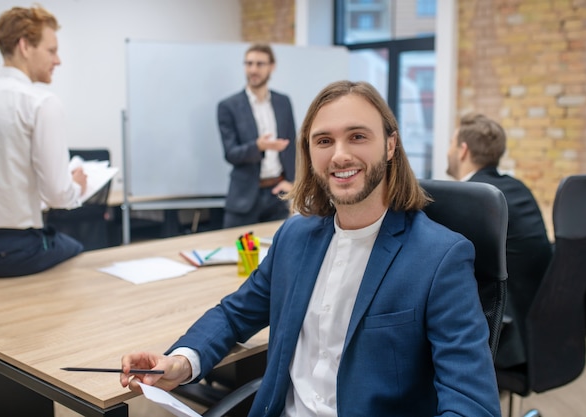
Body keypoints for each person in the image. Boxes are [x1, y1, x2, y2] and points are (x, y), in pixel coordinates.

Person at [120, 81, 501, 416]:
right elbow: (235, 314)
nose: (339, 155)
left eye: (357, 136)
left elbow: (472, 403)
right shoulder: (295, 237)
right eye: (324, 141)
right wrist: (178, 363)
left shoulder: (439, 257)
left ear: (390, 145)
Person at [0, 6, 87, 278]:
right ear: (25, 46)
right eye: (52, 50)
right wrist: (76, 187)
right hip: (12, 251)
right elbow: (57, 195)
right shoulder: (42, 103)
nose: (58, 61)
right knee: (76, 248)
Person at [447, 112, 553, 369]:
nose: (448, 151)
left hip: (503, 337)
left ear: (463, 150)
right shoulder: (516, 188)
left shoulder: (474, 198)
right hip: (537, 333)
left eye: (451, 144)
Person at [217, 43, 296, 228]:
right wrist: (259, 147)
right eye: (249, 63)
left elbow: (291, 145)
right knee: (237, 252)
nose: (253, 69)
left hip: (277, 196)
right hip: (244, 198)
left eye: (260, 64)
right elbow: (231, 154)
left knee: (277, 252)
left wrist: (292, 182)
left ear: (271, 67)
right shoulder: (229, 106)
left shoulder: (283, 102)